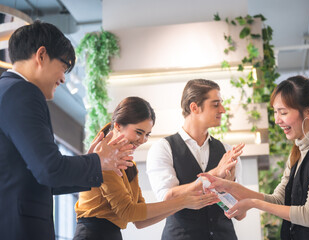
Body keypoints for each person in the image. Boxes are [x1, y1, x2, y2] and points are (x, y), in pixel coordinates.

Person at [0, 21, 134, 240]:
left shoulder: (9, 91)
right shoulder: (22, 93)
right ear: (41, 55)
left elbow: (41, 177)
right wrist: (97, 161)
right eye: (63, 66)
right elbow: (49, 169)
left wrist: (96, 163)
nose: (63, 78)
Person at [200, 75, 309, 240]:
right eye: (275, 112)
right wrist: (229, 187)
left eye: (283, 112)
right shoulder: (297, 152)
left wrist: (253, 204)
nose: (277, 120)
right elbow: (279, 200)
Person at [74, 96, 218, 240]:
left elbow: (140, 221)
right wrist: (182, 201)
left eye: (147, 134)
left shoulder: (129, 164)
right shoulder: (103, 158)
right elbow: (128, 212)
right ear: (117, 125)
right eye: (138, 132)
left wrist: (185, 202)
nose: (142, 140)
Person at [146, 79, 245, 240]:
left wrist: (228, 186)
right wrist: (214, 174)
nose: (223, 109)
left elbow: (240, 215)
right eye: (215, 104)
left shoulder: (227, 151)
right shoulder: (163, 148)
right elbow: (166, 199)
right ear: (194, 107)